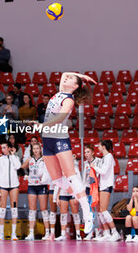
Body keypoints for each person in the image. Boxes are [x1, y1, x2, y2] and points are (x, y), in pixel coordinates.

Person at [40, 72, 96, 235]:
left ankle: (87, 213)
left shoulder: (69, 99)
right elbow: (64, 73)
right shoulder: (60, 92)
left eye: (71, 79)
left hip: (59, 139)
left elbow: (60, 117)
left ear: (75, 87)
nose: (66, 78)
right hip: (47, 141)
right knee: (57, 180)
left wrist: (43, 125)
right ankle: (83, 200)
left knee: (70, 175)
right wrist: (81, 75)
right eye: (67, 78)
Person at [91, 140, 121, 241]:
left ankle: (114, 232)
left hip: (106, 185)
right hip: (101, 185)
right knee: (99, 211)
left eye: (99, 145)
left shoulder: (109, 157)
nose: (98, 147)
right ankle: (106, 232)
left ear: (103, 147)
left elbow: (104, 171)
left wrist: (95, 167)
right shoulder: (104, 158)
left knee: (103, 210)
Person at [22, 143, 50, 241]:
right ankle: (31, 233)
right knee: (32, 209)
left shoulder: (44, 159)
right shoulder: (30, 159)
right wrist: (27, 175)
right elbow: (21, 167)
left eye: (37, 148)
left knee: (44, 209)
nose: (36, 150)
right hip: (32, 186)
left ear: (40, 149)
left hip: (41, 185)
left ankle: (47, 232)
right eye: (34, 148)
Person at [0, 142, 21, 241]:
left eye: (4, 147)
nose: (3, 149)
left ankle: (13, 233)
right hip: (3, 186)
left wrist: (13, 155)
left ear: (9, 148)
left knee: (14, 207)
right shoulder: (0, 160)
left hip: (14, 186)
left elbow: (18, 167)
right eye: (2, 148)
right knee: (2, 208)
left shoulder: (15, 158)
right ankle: (1, 233)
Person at [83, 145, 102, 241]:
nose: (86, 154)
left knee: (98, 210)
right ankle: (90, 232)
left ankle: (99, 232)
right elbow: (83, 177)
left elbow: (100, 174)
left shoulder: (98, 161)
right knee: (90, 211)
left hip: (96, 187)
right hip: (88, 188)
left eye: (88, 152)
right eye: (85, 152)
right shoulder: (84, 163)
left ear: (93, 152)